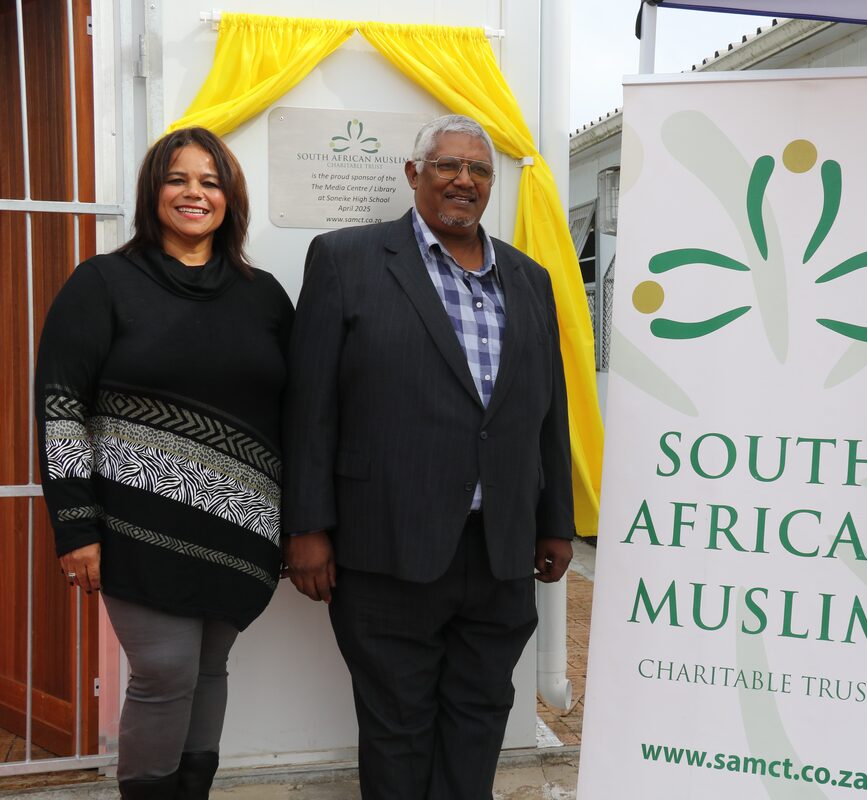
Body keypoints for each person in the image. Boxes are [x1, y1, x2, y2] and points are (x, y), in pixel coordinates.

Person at [282, 113, 574, 799]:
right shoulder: (345, 260)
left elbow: (547, 410)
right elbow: (309, 407)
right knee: (397, 724)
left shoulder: (530, 279)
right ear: (415, 174)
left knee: (480, 716)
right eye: (447, 165)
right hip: (386, 545)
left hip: (500, 549)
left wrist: (555, 519)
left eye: (478, 170)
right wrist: (306, 526)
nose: (463, 180)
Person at [36, 128, 293, 799]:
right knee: (164, 671)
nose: (194, 193)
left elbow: (293, 411)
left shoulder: (263, 296)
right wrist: (75, 527)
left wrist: (300, 521)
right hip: (135, 528)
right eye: (178, 179)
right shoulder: (103, 284)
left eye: (210, 181)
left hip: (240, 528)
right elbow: (62, 408)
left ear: (229, 197)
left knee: (209, 669)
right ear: (154, 191)